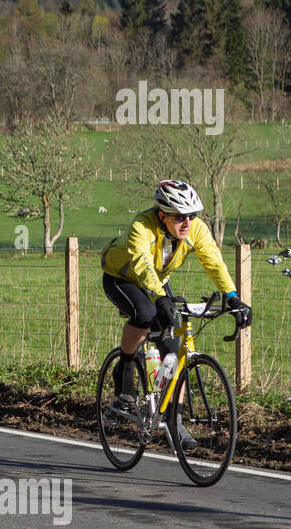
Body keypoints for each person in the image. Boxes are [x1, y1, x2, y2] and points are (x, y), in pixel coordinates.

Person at [101, 180, 252, 447]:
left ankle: (175, 423)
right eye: (180, 217)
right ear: (162, 216)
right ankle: (124, 368)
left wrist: (233, 297)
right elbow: (143, 265)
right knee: (146, 313)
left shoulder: (195, 230)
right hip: (122, 277)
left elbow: (214, 261)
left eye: (192, 216)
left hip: (156, 280)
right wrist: (160, 299)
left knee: (173, 348)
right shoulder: (142, 227)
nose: (188, 222)